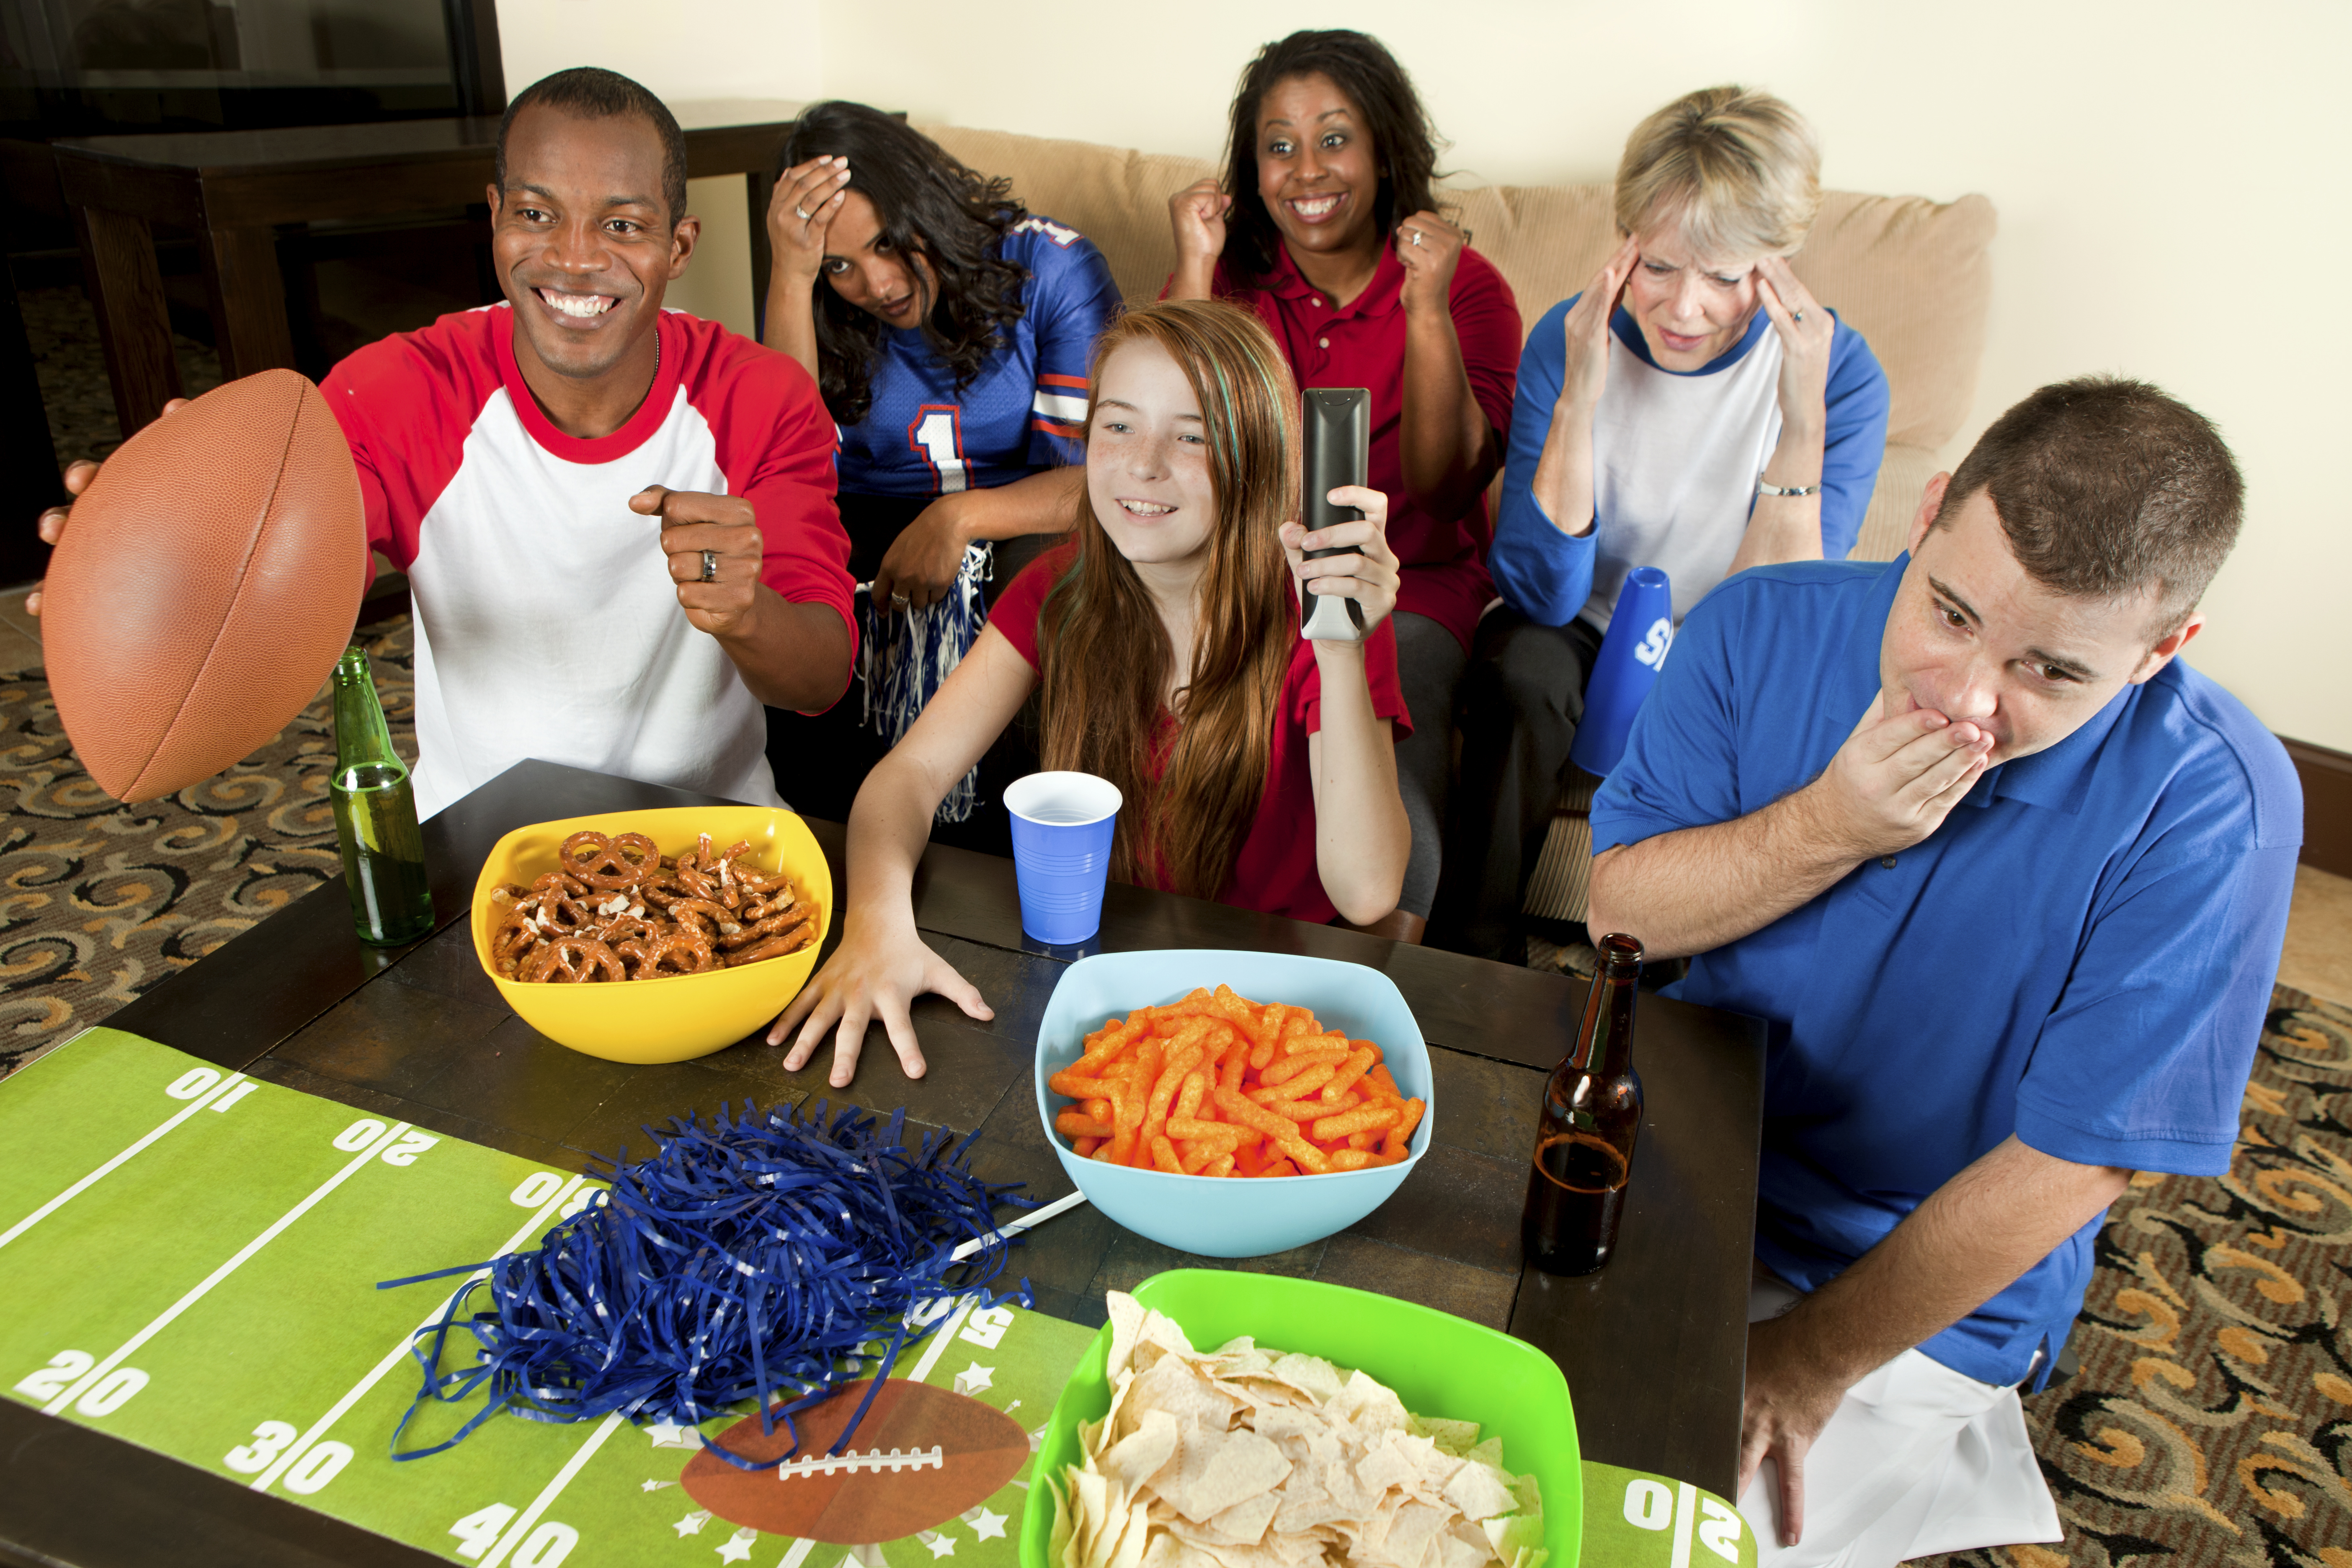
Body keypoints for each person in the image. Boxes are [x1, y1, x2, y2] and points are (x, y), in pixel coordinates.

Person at [1584, 377, 2300, 1565]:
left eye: (2052, 674)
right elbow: (1622, 913)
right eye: (1952, 613)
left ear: (2163, 651)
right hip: (1683, 1160)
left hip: (1915, 1268)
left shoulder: (2217, 805)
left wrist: (1807, 1362)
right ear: (1924, 519)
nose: (1966, 699)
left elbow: (2076, 1161)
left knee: (1662, 1546)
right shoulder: (1757, 624)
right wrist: (1830, 827)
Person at [33, 67, 857, 819]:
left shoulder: (760, 397)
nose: (574, 259)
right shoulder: (398, 390)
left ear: (679, 244)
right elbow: (279, 582)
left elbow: (821, 678)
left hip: (713, 832)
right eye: (536, 215)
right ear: (494, 217)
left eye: (622, 224)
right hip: (480, 844)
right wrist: (158, 556)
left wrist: (747, 613)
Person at [771, 299, 1412, 1088]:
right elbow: (907, 779)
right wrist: (875, 927)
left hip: (1278, 1007)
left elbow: (1370, 889)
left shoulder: (1324, 619)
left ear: (1258, 457)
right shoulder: (1057, 591)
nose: (1144, 465)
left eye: (1193, 435)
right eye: (1118, 426)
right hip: (1112, 987)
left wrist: (1341, 649)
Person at [1436, 86, 1890, 962]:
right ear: (1625, 245)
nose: (1686, 310)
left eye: (1726, 278)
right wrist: (1579, 393)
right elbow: (1538, 586)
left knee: (1759, 725)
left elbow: (1782, 616)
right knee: (1521, 672)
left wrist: (1801, 421)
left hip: (1724, 644)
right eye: (1661, 268)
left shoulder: (1841, 376)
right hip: (1577, 626)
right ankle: (1471, 971)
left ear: (1781, 263)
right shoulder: (1567, 337)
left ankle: (1685, 995)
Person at [1165, 28, 1520, 942]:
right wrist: (1199, 265)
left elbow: (1447, 490)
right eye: (1278, 145)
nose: (1306, 170)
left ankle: (1373, 1019)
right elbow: (1167, 440)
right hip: (1247, 575)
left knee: (1403, 852)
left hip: (1412, 590)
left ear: (1383, 149)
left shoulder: (1466, 285)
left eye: (1334, 137)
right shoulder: (1232, 280)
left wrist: (1425, 308)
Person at [760, 103, 1123, 843]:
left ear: (924, 197)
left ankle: (1005, 849)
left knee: (1049, 579)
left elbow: (1104, 478)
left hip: (1022, 517)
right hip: (867, 520)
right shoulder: (821, 302)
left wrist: (957, 519)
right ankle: (818, 848)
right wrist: (795, 279)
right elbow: (790, 461)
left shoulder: (1050, 266)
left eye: (889, 243)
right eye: (840, 265)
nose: (878, 282)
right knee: (787, 569)